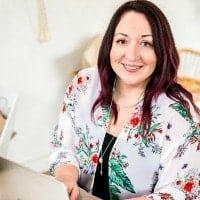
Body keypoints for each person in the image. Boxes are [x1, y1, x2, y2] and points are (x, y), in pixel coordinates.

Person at [49, 0, 200, 199]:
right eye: (122, 41)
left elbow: (180, 191)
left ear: (162, 50)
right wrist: (66, 179)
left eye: (146, 43)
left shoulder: (180, 113)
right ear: (110, 44)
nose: (132, 55)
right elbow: (63, 147)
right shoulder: (83, 84)